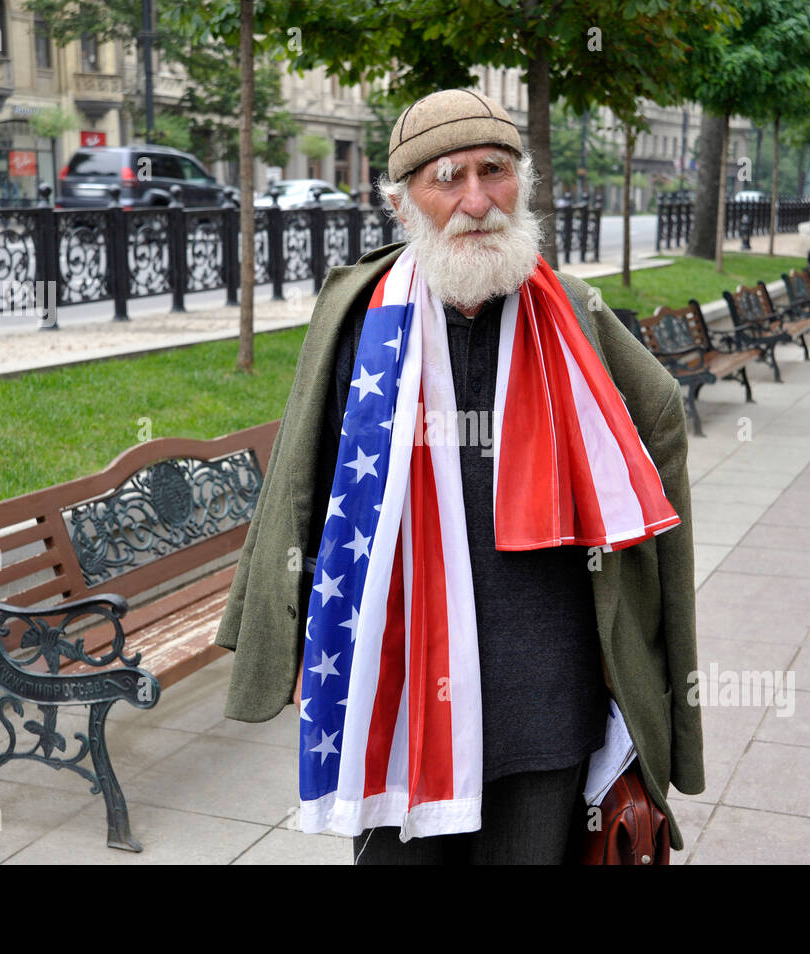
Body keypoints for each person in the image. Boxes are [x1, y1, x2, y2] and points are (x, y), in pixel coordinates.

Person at [212, 88, 703, 865]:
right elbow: (305, 482)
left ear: (523, 181)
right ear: (404, 204)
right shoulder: (357, 314)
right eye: (448, 177)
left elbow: (661, 420)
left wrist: (633, 634)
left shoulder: (576, 314)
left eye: (494, 171)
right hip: (399, 689)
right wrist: (298, 631)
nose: (476, 200)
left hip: (545, 697)